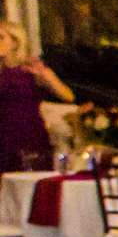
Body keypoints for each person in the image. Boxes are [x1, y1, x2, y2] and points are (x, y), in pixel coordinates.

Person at [0, 21, 74, 172]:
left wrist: (46, 78)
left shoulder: (30, 69)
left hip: (27, 134)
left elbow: (68, 96)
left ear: (15, 42)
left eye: (1, 37)